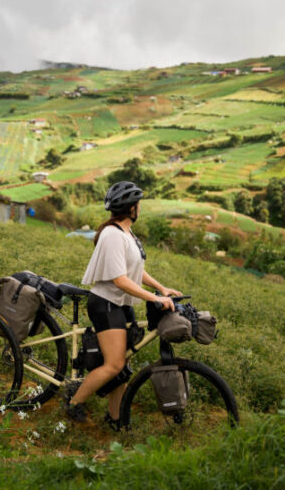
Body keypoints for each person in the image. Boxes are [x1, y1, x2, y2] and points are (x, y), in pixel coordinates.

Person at [66, 181, 181, 427]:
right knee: (114, 364)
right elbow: (119, 280)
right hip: (106, 304)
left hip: (121, 305)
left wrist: (161, 288)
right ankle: (74, 402)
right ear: (131, 208)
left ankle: (116, 418)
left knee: (124, 364)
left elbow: (134, 271)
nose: (140, 208)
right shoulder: (112, 235)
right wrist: (154, 298)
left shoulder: (127, 234)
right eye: (138, 204)